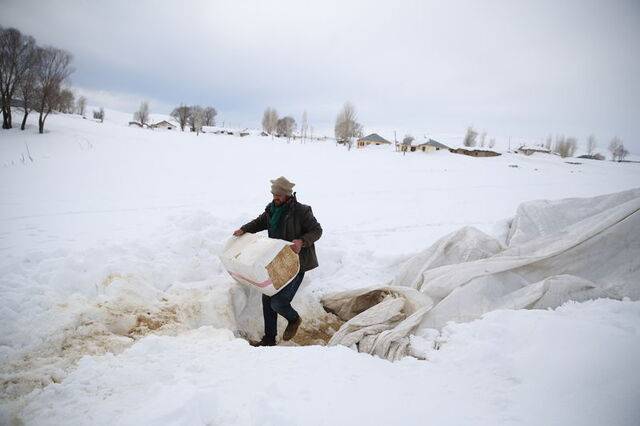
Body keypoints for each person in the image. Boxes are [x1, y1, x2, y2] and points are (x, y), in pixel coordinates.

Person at [233, 176, 322, 346]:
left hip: (297, 264)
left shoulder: (302, 211)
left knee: (279, 302)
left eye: (279, 195)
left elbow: (317, 230)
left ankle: (294, 319)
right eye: (274, 194)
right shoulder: (272, 210)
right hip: (277, 262)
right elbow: (260, 222)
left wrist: (302, 241)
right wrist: (244, 229)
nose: (275, 197)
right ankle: (269, 339)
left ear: (287, 195)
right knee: (268, 298)